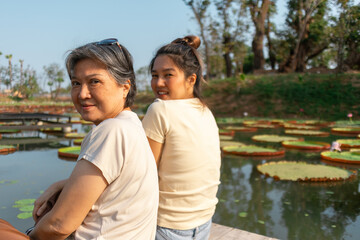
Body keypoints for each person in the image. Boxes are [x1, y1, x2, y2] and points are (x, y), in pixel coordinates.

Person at [1, 38, 159, 240]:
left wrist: (29, 235)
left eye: (95, 82)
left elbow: (59, 225)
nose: (83, 94)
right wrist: (62, 185)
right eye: (76, 83)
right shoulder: (131, 124)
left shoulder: (112, 130)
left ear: (125, 87)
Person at [142, 35, 221, 240]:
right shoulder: (205, 111)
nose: (158, 83)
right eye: (154, 75)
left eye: (168, 75)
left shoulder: (159, 109)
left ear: (191, 79)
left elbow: (142, 174)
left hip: (168, 226)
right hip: (203, 223)